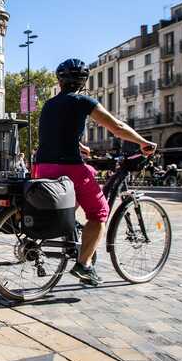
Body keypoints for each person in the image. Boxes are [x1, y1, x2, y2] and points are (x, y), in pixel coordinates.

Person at [34, 58, 157, 287]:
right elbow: (117, 127)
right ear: (83, 80)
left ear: (59, 81)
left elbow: (54, 134)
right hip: (68, 168)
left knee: (88, 169)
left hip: (42, 166)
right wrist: (142, 142)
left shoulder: (49, 104)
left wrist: (80, 147)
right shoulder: (83, 101)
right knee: (100, 212)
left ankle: (69, 225)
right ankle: (84, 265)